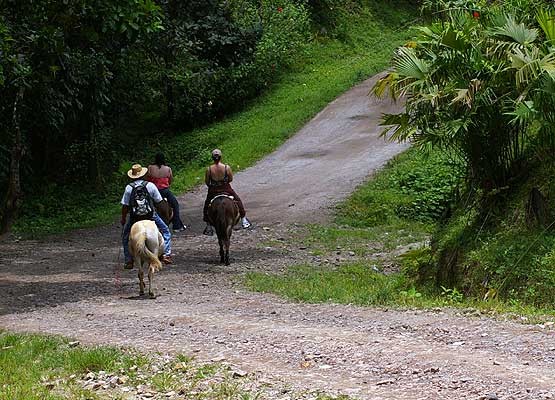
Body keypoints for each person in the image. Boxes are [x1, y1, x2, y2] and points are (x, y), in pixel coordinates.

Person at [121, 163, 172, 268]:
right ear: (143, 175)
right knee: (166, 230)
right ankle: (166, 254)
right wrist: (164, 214)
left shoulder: (129, 188)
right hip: (150, 215)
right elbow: (159, 202)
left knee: (125, 236)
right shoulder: (150, 185)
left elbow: (125, 206)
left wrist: (123, 218)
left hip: (135, 217)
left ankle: (128, 260)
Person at [203, 149, 251, 236]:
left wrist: (214, 185)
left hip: (213, 190)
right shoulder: (226, 167)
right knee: (237, 200)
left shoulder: (209, 169)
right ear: (221, 157)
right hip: (226, 188)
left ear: (212, 158)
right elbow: (230, 179)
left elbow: (207, 182)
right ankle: (244, 219)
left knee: (207, 205)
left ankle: (208, 225)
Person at [147, 153, 187, 232]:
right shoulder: (167, 169)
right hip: (164, 191)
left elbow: (147, 179)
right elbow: (170, 181)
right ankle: (176, 226)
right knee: (175, 205)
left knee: (148, 206)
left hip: (153, 192)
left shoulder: (150, 168)